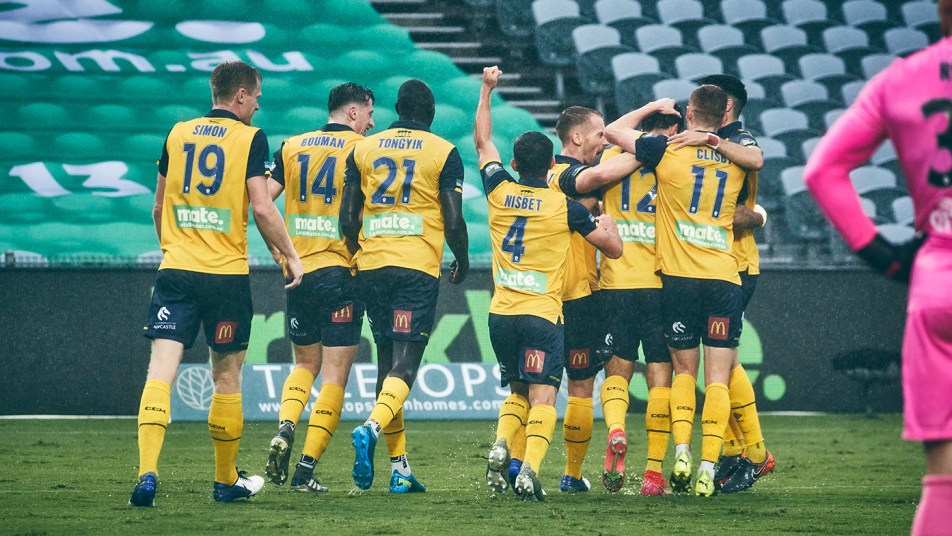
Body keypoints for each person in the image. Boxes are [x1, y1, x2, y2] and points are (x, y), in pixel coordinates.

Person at [805, 2, 952, 531]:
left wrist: (882, 256)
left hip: (937, 281)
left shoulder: (902, 79)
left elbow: (823, 170)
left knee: (942, 480)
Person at [130, 61, 304, 507]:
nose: (259, 103)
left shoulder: (177, 132)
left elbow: (157, 207)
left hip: (176, 271)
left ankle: (147, 475)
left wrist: (174, 250)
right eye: (257, 95)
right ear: (241, 96)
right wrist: (290, 255)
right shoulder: (251, 137)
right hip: (225, 276)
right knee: (226, 378)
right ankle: (225, 481)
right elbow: (263, 208)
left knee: (160, 373)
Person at [475, 65, 624, 501]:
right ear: (553, 164)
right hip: (544, 314)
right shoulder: (564, 207)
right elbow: (612, 249)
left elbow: (483, 142)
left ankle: (503, 445)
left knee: (517, 392)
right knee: (545, 396)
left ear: (516, 163)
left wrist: (486, 90)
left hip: (500, 314)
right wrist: (608, 223)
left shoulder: (498, 190)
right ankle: (530, 472)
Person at [606, 84, 748, 497]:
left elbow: (613, 132)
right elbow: (757, 159)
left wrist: (651, 107)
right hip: (723, 275)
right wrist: (715, 140)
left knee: (683, 371)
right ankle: (708, 465)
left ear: (688, 114)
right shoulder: (736, 153)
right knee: (718, 378)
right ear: (723, 113)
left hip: (678, 279)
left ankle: (681, 450)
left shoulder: (664, 151)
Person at [340, 78, 469, 492]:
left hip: (372, 266)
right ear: (430, 114)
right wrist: (462, 258)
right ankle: (371, 429)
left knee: (385, 365)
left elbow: (346, 218)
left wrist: (360, 253)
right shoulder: (444, 152)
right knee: (405, 365)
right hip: (415, 270)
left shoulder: (363, 149)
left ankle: (400, 470)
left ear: (396, 108)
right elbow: (452, 219)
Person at [263, 82, 380, 493]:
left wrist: (281, 254)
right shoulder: (364, 150)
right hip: (340, 272)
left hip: (298, 272)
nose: (372, 121)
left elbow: (261, 201)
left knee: (304, 365)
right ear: (352, 113)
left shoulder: (292, 146)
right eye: (368, 113)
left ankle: (285, 426)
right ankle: (304, 471)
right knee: (333, 378)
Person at [544, 105, 666, 493]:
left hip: (552, 295)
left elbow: (609, 142)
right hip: (604, 289)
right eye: (596, 134)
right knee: (594, 384)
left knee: (533, 388)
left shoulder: (588, 171)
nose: (603, 139)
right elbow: (598, 171)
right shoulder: (578, 173)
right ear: (577, 137)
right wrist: (652, 149)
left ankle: (518, 462)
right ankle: (652, 470)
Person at [666, 73, 775, 493]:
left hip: (734, 263)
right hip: (707, 264)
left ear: (725, 108)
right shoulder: (703, 143)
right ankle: (733, 450)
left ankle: (754, 453)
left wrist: (751, 216)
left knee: (722, 365)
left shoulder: (739, 143)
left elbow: (742, 211)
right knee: (719, 366)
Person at [596, 106, 682, 496]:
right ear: (660, 134)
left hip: (615, 280)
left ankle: (616, 430)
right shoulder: (673, 159)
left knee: (617, 372)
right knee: (660, 373)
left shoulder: (611, 157)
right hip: (661, 282)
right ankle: (653, 473)